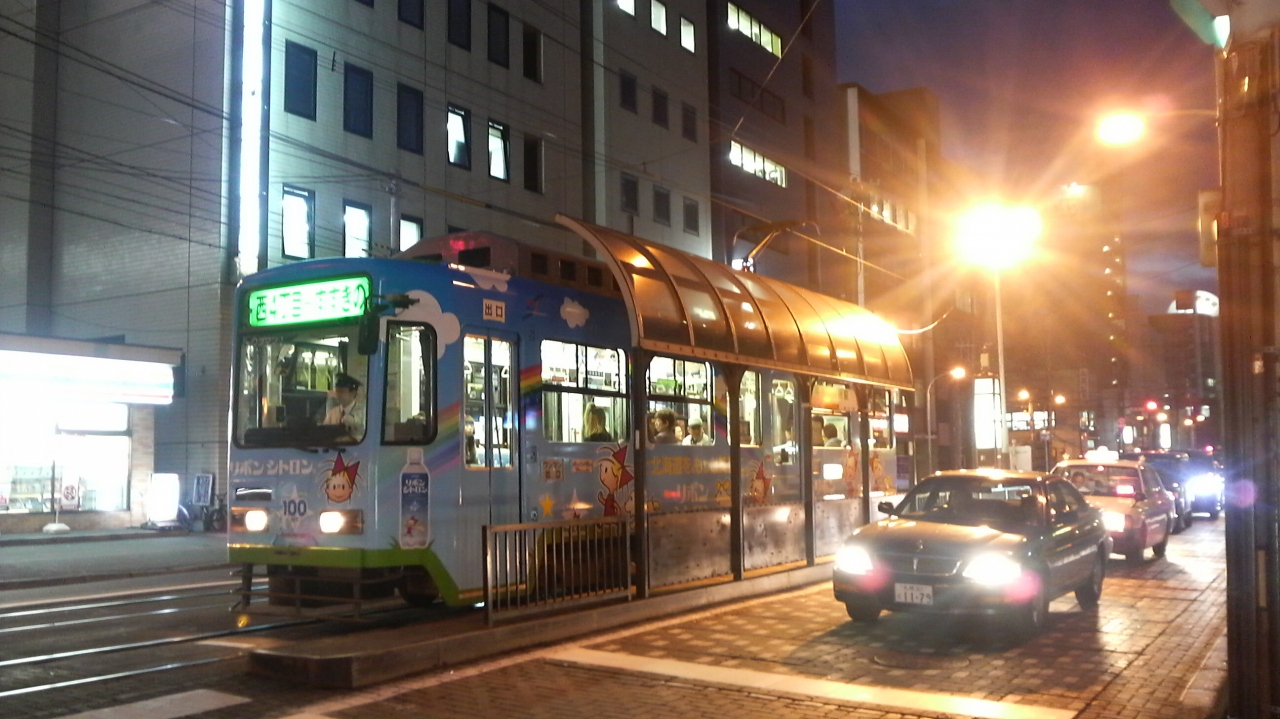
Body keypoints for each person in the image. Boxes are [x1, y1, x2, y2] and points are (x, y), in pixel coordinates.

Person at [322, 373, 365, 439]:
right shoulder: (331, 413)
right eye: (337, 391)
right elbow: (324, 435)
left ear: (353, 393)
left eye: (342, 391)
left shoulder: (363, 413)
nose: (338, 394)